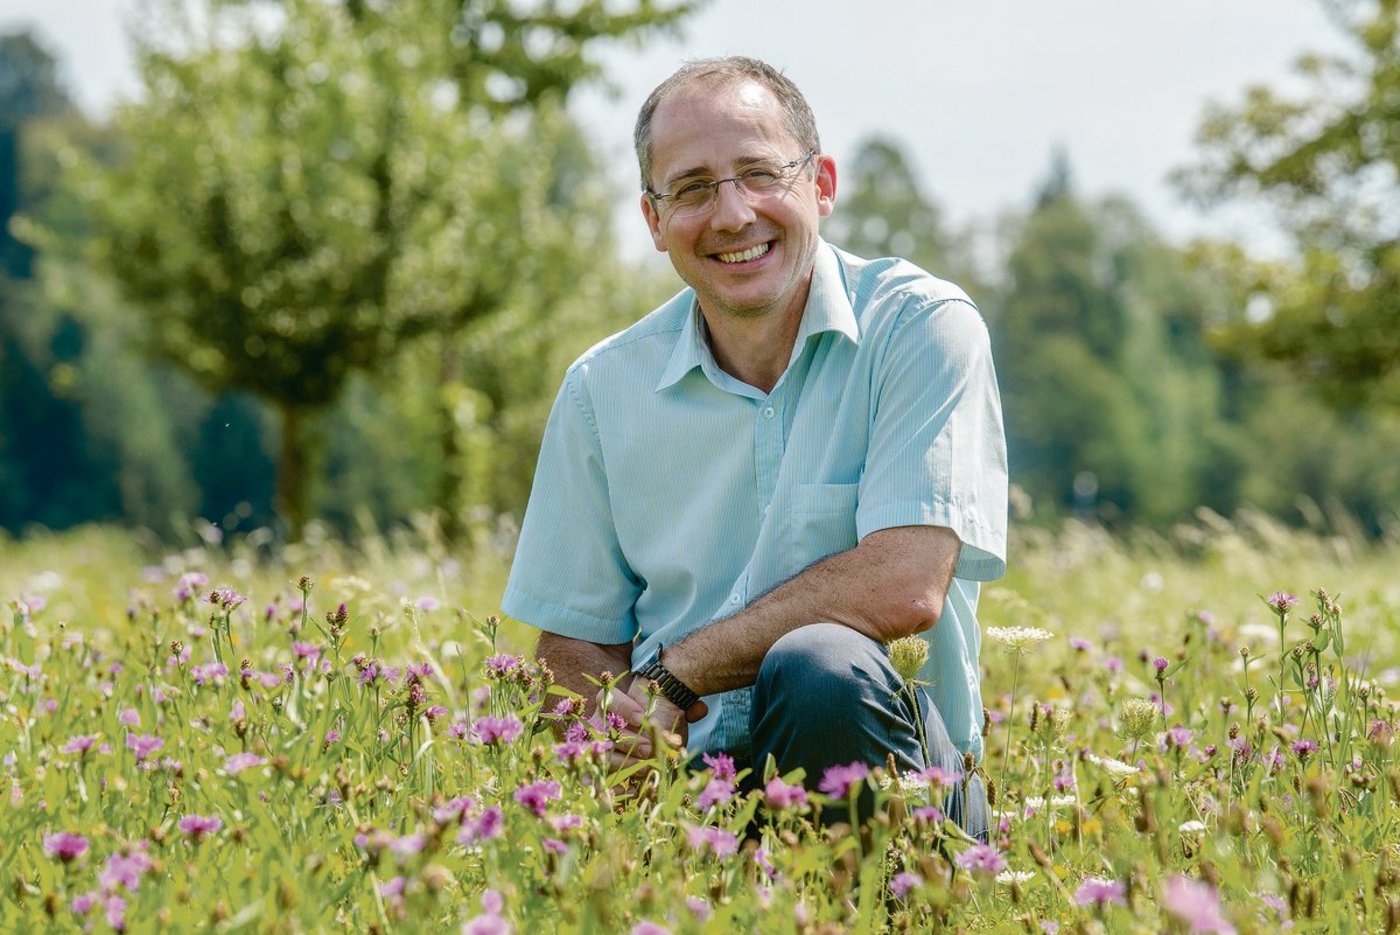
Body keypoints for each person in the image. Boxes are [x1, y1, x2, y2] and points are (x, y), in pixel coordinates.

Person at [501, 56, 1006, 837]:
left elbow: (906, 583)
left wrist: (678, 670)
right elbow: (568, 644)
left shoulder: (920, 329)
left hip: (901, 778)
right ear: (653, 219)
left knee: (820, 668)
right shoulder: (603, 389)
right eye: (694, 188)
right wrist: (625, 737)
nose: (734, 215)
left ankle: (880, 911)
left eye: (761, 174)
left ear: (823, 185)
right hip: (693, 793)